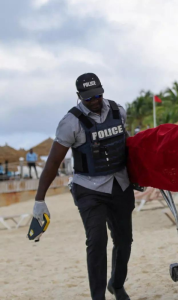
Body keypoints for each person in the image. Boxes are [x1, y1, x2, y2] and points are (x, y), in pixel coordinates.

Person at [33, 73, 134, 300]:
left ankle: (116, 285)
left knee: (124, 239)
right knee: (97, 241)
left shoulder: (118, 111)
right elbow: (53, 162)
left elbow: (124, 144)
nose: (95, 100)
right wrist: (39, 200)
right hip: (89, 188)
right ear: (79, 96)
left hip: (120, 184)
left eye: (98, 94)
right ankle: (98, 297)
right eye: (89, 98)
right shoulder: (71, 122)